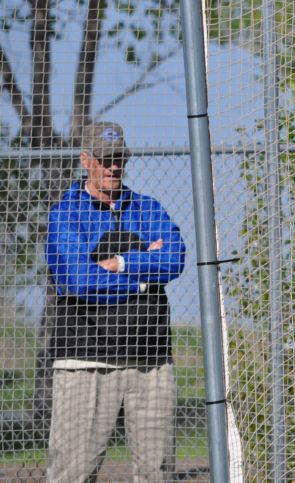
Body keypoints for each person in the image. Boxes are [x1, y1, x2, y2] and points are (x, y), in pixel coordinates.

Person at [45, 121, 186, 482]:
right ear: (85, 161)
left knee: (157, 473)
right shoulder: (66, 215)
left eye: (120, 158)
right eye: (106, 160)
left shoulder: (148, 209)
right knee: (73, 474)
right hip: (85, 361)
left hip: (150, 361)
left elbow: (174, 261)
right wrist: (143, 280)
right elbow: (77, 281)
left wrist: (123, 263)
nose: (113, 167)